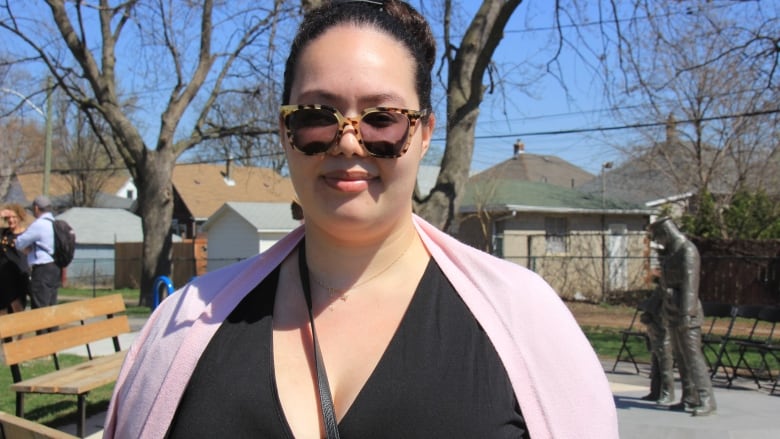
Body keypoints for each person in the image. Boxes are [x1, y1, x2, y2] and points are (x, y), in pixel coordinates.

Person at [104, 1, 618, 437]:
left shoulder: (525, 320)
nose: (348, 141)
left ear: (422, 133)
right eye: (315, 117)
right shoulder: (184, 326)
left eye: (382, 120)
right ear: (287, 132)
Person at [649, 217, 717, 416]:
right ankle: (689, 397)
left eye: (658, 238)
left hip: (687, 314)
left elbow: (690, 286)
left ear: (666, 233)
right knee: (680, 356)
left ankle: (706, 399)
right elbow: (663, 286)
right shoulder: (672, 253)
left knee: (693, 357)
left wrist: (687, 314)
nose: (658, 242)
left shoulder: (687, 251)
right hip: (672, 311)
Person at [14, 195, 60, 310]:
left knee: (40, 308)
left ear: (36, 208)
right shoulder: (55, 223)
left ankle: (43, 329)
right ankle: (53, 328)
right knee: (51, 307)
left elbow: (19, 243)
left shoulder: (39, 225)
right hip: (55, 268)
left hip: (42, 270)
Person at [0, 203, 30, 315]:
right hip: (3, 280)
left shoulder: (26, 234)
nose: (11, 220)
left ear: (20, 217)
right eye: (8, 217)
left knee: (17, 311)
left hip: (19, 278)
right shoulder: (3, 233)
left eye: (14, 217)